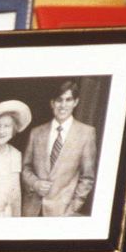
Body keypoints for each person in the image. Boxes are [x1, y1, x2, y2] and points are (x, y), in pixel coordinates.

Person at [21, 80, 98, 217]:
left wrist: (71, 209)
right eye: (59, 100)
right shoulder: (36, 132)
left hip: (62, 212)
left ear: (76, 102)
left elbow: (87, 178)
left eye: (68, 100)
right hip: (31, 210)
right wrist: (35, 183)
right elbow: (25, 168)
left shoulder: (86, 133)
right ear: (52, 103)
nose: (63, 105)